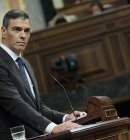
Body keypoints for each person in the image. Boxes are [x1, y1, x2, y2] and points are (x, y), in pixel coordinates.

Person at [0, 9, 87, 140]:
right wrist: (53, 127)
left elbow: (38, 107)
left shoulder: (25, 64)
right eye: (17, 29)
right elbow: (15, 104)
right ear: (3, 32)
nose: (23, 35)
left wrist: (65, 118)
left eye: (27, 30)